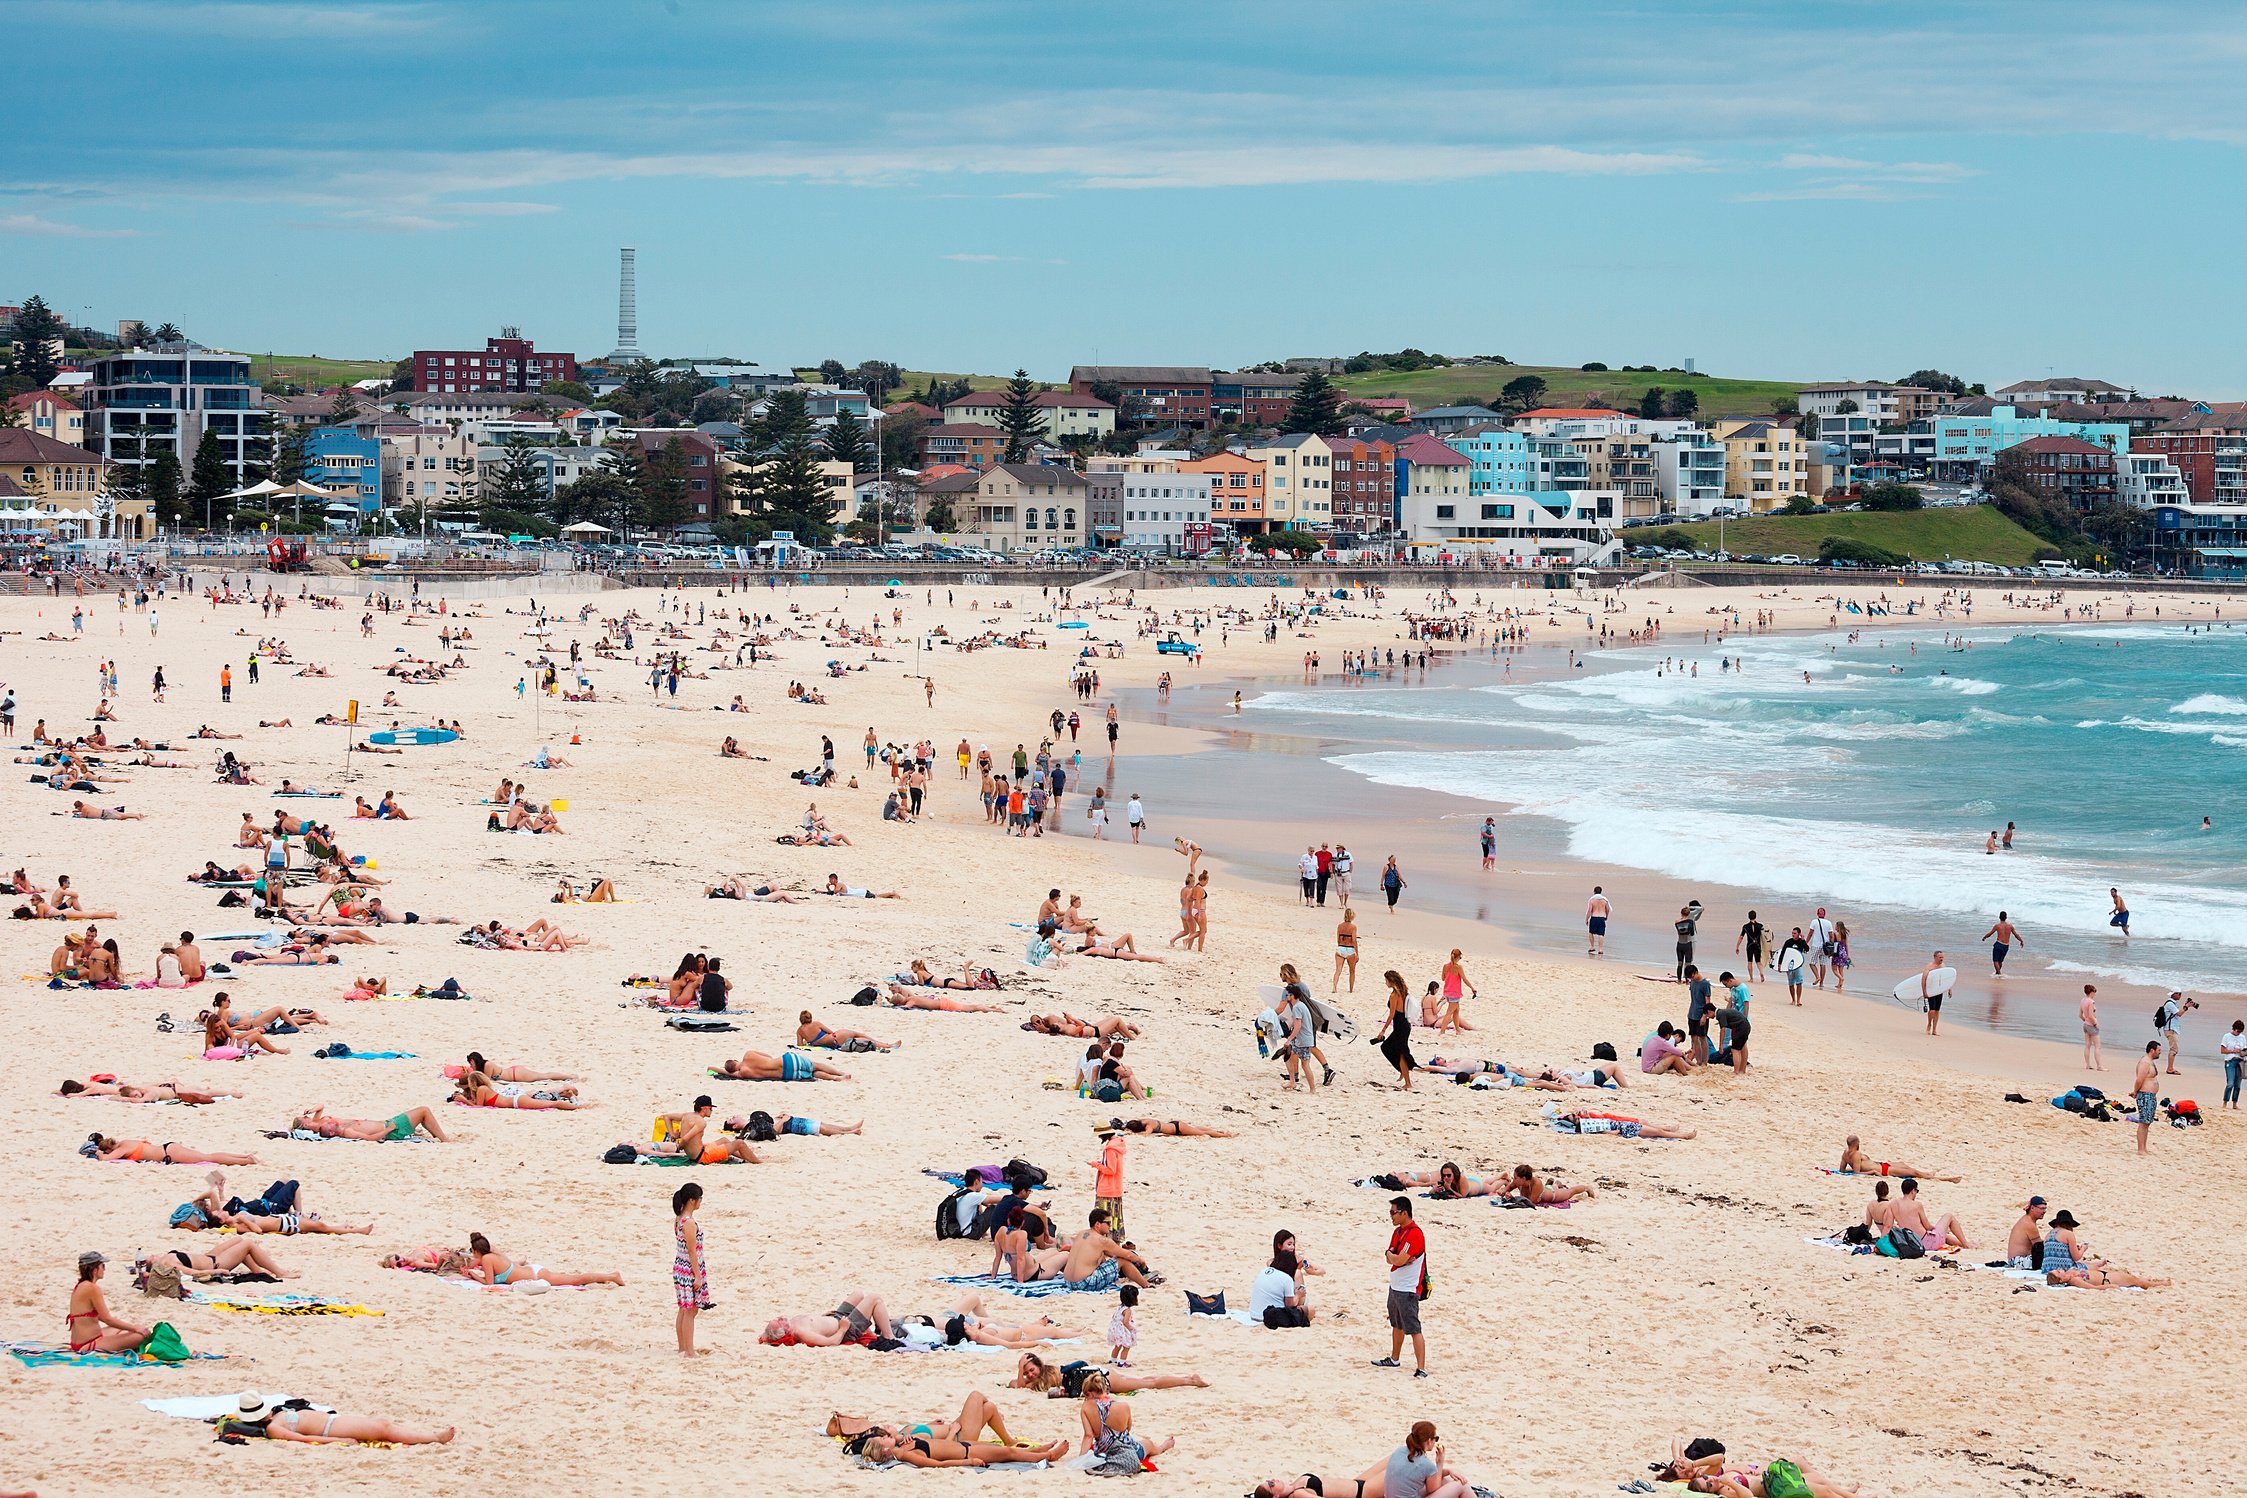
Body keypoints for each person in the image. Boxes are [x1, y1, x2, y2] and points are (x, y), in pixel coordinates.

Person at [219, 1391, 454, 1446]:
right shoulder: (274, 1429)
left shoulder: (276, 1418)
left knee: (383, 1425)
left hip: (334, 1422)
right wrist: (334, 1442)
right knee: (384, 1429)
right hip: (333, 1429)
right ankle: (433, 1438)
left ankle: (428, 1436)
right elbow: (301, 1438)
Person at [2040, 1209, 2171, 1289]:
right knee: (2133, 1280)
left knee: (2129, 1277)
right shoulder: (2068, 1234)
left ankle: (2153, 1282)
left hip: (2047, 1267)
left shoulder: (2048, 1235)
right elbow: (2076, 1257)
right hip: (2100, 1277)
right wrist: (2083, 1249)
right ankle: (2159, 1284)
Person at [1079, 1369, 1174, 1473]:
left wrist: (1081, 1459)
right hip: (1129, 1450)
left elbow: (1088, 1436)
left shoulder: (1086, 1408)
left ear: (1089, 1393)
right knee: (1148, 1444)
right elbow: (1127, 1429)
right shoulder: (1123, 1406)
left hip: (1103, 1451)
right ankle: (1163, 1447)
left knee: (1144, 1443)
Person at [1373, 1196, 1427, 1377]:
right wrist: (1393, 1256)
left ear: (1404, 1213)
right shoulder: (1397, 1233)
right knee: (1396, 1324)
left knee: (1413, 1328)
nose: (1391, 1216)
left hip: (1408, 1289)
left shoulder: (1415, 1234)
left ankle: (1421, 1368)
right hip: (1395, 1286)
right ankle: (1394, 1358)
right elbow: (1391, 1257)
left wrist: (1394, 1257)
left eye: (1393, 1212)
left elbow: (1397, 1258)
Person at [1011, 1351, 1207, 1398]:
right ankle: (1187, 1379)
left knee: (1149, 1383)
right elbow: (1015, 1384)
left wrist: (1021, 1367)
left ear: (1039, 1365)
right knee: (1145, 1381)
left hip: (1097, 1378)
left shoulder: (1047, 1375)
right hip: (1094, 1373)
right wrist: (1022, 1369)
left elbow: (1017, 1385)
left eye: (1031, 1369)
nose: (1030, 1374)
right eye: (1027, 1372)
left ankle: (1188, 1380)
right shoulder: (1049, 1373)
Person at [66, 1251, 151, 1354]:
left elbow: (100, 1317)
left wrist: (133, 1328)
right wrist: (136, 1328)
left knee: (122, 1330)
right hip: (88, 1344)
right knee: (139, 1336)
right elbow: (107, 1319)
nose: (104, 1269)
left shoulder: (81, 1285)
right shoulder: (92, 1288)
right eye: (103, 1266)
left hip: (80, 1341)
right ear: (95, 1270)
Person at [466, 1231, 621, 1287]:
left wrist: (472, 1275)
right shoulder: (493, 1255)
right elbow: (474, 1261)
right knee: (571, 1278)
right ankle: (601, 1279)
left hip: (537, 1276)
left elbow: (489, 1283)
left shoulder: (487, 1260)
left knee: (576, 1279)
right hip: (533, 1271)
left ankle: (612, 1276)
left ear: (476, 1251)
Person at [760, 1289, 898, 1346]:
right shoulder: (801, 1332)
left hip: (837, 1317)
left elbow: (766, 1336)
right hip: (847, 1327)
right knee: (874, 1298)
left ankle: (873, 1332)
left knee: (858, 1294)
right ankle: (889, 1338)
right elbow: (830, 1342)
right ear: (785, 1331)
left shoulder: (791, 1324)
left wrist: (823, 1318)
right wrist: (843, 1330)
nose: (780, 1318)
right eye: (779, 1322)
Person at [1891, 1177, 1968, 1252]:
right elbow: (1927, 1226)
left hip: (1912, 1243)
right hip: (1926, 1243)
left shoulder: (1894, 1203)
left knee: (1943, 1234)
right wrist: (1935, 1227)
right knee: (1949, 1216)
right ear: (1912, 1191)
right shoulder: (1917, 1205)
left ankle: (1966, 1243)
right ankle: (1966, 1244)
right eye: (1916, 1191)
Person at [291, 1106, 450, 1143]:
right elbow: (369, 1138)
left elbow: (321, 1106)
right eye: (304, 1118)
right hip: (391, 1128)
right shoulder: (345, 1132)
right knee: (424, 1111)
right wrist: (389, 1129)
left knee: (422, 1112)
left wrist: (310, 1110)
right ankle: (445, 1140)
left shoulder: (322, 1122)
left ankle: (437, 1133)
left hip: (388, 1124)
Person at [1838, 1135, 1960, 1182]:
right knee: (1913, 1173)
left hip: (1882, 1165)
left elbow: (1842, 1170)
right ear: (1856, 1144)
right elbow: (1857, 1173)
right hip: (1883, 1170)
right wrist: (1873, 1172)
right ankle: (1943, 1178)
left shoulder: (1846, 1153)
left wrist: (1850, 1170)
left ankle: (1928, 1173)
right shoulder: (1856, 1154)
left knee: (1904, 1165)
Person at [1372, 968, 1416, 1089]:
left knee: (1401, 1053)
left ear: (1391, 981)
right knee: (1386, 1047)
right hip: (1404, 1024)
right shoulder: (1404, 991)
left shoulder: (1394, 995)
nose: (1385, 983)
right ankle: (1402, 1070)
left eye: (1386, 980)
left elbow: (1391, 1015)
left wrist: (1383, 1030)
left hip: (1400, 1025)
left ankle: (1408, 1083)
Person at [89, 1136, 257, 1166]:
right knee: (208, 1156)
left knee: (210, 1157)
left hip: (169, 1153)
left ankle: (247, 1160)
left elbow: (106, 1160)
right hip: (168, 1149)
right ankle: (244, 1156)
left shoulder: (123, 1148)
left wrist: (99, 1153)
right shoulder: (126, 1142)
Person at [716, 1049, 851, 1082]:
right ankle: (839, 1073)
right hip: (786, 1061)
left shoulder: (743, 1073)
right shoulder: (749, 1054)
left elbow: (728, 1073)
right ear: (735, 1060)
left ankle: (834, 1079)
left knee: (812, 1074)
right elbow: (768, 1057)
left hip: (786, 1074)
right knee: (814, 1065)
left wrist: (716, 1069)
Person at [2131, 1041, 2160, 1156]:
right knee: (2143, 1122)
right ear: (2152, 1050)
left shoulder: (2150, 1062)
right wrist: (2135, 1092)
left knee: (2147, 1122)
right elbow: (2139, 1080)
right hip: (2145, 1095)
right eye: (2158, 1051)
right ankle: (2140, 1149)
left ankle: (2144, 1147)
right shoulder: (2145, 1062)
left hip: (2151, 1096)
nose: (2159, 1054)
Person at [1435, 949, 1475, 1033]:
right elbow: (1464, 979)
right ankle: (1442, 1031)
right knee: (1449, 1013)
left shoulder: (1445, 966)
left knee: (1456, 1011)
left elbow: (1443, 978)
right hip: (1455, 993)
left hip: (1447, 992)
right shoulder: (1458, 967)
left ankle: (1457, 1030)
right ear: (1458, 957)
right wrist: (1472, 988)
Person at [2156, 992, 2196, 1075]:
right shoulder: (2170, 1004)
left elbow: (2177, 1014)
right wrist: (2186, 1006)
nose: (2180, 995)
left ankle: (2170, 1067)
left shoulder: (2173, 1003)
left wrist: (2186, 1006)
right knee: (2174, 1049)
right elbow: (2179, 1014)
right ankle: (2170, 1068)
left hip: (2172, 1029)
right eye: (2179, 994)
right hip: (2170, 1029)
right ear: (2173, 994)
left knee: (2174, 1049)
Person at [2005, 1197, 2048, 1269]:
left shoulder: (2026, 1220)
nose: (2044, 1211)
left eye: (2045, 1209)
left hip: (2015, 1260)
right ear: (2032, 1208)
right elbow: (2039, 1247)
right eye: (2041, 1208)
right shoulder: (2029, 1224)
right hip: (2018, 1261)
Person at [1981, 911, 2023, 977]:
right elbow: (2016, 935)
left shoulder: (1997, 926)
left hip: (1999, 944)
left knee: (1995, 961)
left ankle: (1999, 974)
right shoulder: (2010, 926)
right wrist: (2021, 941)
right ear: (2006, 917)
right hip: (2006, 946)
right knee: (2000, 961)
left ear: (1999, 917)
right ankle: (1997, 973)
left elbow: (1990, 933)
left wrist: (1984, 937)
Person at [1915, 949, 1947, 1036]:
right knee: (1932, 1010)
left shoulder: (1943, 966)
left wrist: (1949, 989)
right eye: (1940, 957)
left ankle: (1934, 1030)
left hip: (1939, 991)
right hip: (1931, 991)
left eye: (1943, 957)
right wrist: (1924, 992)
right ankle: (1929, 1025)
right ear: (1935, 957)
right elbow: (1923, 980)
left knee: (1937, 1011)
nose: (1942, 959)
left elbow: (1947, 978)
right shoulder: (1929, 967)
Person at [1734, 909, 1768, 983]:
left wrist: (1737, 946)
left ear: (1748, 917)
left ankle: (1751, 978)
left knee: (1750, 962)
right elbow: (1766, 937)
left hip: (1749, 946)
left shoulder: (1745, 926)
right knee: (1758, 962)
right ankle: (1761, 973)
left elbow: (1741, 937)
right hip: (1757, 946)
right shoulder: (1760, 926)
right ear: (1756, 916)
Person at [1806, 907, 1836, 988]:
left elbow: (1810, 934)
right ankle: (1821, 983)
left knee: (1812, 963)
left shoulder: (1814, 921)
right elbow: (1831, 936)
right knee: (1823, 964)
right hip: (1825, 946)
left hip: (1816, 945)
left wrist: (1806, 943)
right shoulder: (1829, 923)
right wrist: (1832, 946)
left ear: (1817, 914)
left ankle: (1817, 977)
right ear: (1824, 914)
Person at [1109, 1283, 1138, 1365]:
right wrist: (1131, 1329)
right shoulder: (1127, 1310)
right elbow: (1125, 1322)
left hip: (1115, 1329)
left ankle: (1113, 1360)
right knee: (1126, 1347)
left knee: (1117, 1346)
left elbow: (1114, 1317)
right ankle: (1122, 1363)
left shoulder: (1120, 1307)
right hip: (1122, 1330)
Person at [1333, 908, 1359, 993]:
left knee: (1338, 970)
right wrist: (1357, 953)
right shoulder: (1353, 927)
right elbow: (1354, 940)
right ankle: (1351, 989)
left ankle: (1334, 987)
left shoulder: (1340, 926)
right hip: (1350, 949)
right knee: (1352, 971)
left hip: (1340, 948)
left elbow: (1338, 939)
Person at [2221, 1019, 2246, 1110]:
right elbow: (2222, 1051)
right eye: (2238, 1031)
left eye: (2240, 1032)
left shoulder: (2242, 1037)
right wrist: (2233, 1051)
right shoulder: (2226, 1036)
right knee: (2230, 1083)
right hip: (2230, 1061)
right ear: (2234, 1029)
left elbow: (2245, 1050)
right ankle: (2225, 1102)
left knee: (2238, 1085)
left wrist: (2243, 1053)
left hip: (2240, 1061)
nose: (2238, 1033)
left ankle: (2235, 1103)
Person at [2081, 984, 2104, 1072]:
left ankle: (2087, 1065)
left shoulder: (2083, 1000)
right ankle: (2099, 1066)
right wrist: (2095, 1023)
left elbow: (2080, 1014)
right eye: (2094, 992)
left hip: (2086, 1025)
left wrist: (2085, 1020)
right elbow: (2091, 1015)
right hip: (2091, 1025)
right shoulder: (2091, 1002)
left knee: (2087, 1045)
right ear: (2091, 992)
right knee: (2097, 1046)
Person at [1673, 905, 1697, 983]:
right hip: (1687, 944)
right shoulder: (1690, 922)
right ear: (1688, 913)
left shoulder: (1677, 922)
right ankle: (1687, 980)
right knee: (1688, 964)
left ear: (1681, 913)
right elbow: (1692, 934)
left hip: (1679, 944)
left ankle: (1679, 980)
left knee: (1680, 963)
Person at [1585, 885, 1609, 957]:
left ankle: (1592, 947)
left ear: (1594, 892)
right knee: (1601, 934)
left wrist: (1587, 919)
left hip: (1594, 917)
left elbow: (1589, 910)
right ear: (1601, 892)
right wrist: (1606, 916)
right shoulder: (1605, 900)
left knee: (1591, 932)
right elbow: (1607, 910)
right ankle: (1600, 949)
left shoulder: (1592, 900)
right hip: (1601, 918)